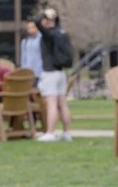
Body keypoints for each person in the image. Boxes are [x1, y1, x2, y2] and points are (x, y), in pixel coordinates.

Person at [34, 8, 72, 142]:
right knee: (62, 103)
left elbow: (36, 22)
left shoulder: (48, 34)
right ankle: (66, 132)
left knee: (51, 103)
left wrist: (44, 13)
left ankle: (50, 132)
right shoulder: (61, 33)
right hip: (60, 72)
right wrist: (54, 15)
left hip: (50, 72)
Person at [20, 19, 43, 85]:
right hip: (28, 73)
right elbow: (23, 58)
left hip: (39, 72)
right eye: (28, 28)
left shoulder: (42, 39)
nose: (31, 30)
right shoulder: (25, 41)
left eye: (33, 27)